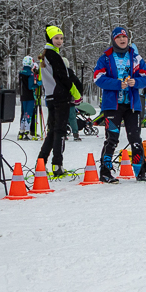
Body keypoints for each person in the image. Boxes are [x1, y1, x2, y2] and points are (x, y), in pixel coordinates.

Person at [93, 26, 146, 183]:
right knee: (112, 138)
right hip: (113, 105)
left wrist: (136, 81)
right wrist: (117, 84)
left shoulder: (135, 58)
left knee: (135, 138)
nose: (122, 39)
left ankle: (141, 172)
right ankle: (105, 172)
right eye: (118, 37)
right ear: (114, 40)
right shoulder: (105, 57)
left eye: (124, 37)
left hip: (132, 105)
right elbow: (98, 78)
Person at [37, 26, 82, 178]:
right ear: (50, 39)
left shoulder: (45, 55)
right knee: (60, 132)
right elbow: (64, 78)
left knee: (52, 131)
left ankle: (41, 162)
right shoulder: (53, 56)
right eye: (56, 38)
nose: (59, 41)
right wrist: (76, 94)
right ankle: (57, 165)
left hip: (50, 97)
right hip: (59, 97)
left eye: (61, 38)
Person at [18, 56, 39, 140]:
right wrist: (38, 83)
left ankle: (21, 131)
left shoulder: (21, 72)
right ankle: (27, 132)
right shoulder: (30, 73)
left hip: (23, 95)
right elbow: (31, 86)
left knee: (24, 114)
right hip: (30, 96)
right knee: (28, 114)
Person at [63, 58, 83, 141]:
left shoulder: (57, 73)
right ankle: (75, 134)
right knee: (72, 117)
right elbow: (79, 85)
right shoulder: (71, 74)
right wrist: (78, 95)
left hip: (61, 99)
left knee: (62, 117)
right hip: (71, 99)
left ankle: (63, 134)